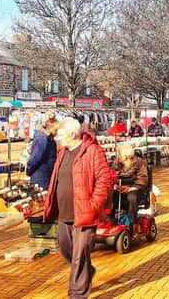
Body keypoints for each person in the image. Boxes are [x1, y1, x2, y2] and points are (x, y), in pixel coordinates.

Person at [44, 118, 111, 298]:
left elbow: (105, 180)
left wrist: (93, 205)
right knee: (66, 249)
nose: (58, 137)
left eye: (61, 134)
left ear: (73, 135)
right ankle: (88, 271)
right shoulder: (62, 152)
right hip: (64, 213)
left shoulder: (93, 151)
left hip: (84, 214)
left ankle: (77, 294)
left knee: (78, 257)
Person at [115, 144, 148, 230]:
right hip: (121, 188)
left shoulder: (140, 163)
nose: (117, 156)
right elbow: (111, 175)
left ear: (125, 156)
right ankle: (111, 219)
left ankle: (133, 222)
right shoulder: (117, 164)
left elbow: (143, 179)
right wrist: (115, 186)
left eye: (119, 154)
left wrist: (130, 188)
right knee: (110, 195)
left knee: (131, 196)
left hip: (136, 189)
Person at [26, 117, 59, 190]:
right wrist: (29, 170)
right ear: (51, 128)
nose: (57, 132)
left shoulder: (49, 138)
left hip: (45, 174)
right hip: (40, 176)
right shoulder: (42, 139)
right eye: (56, 130)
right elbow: (35, 158)